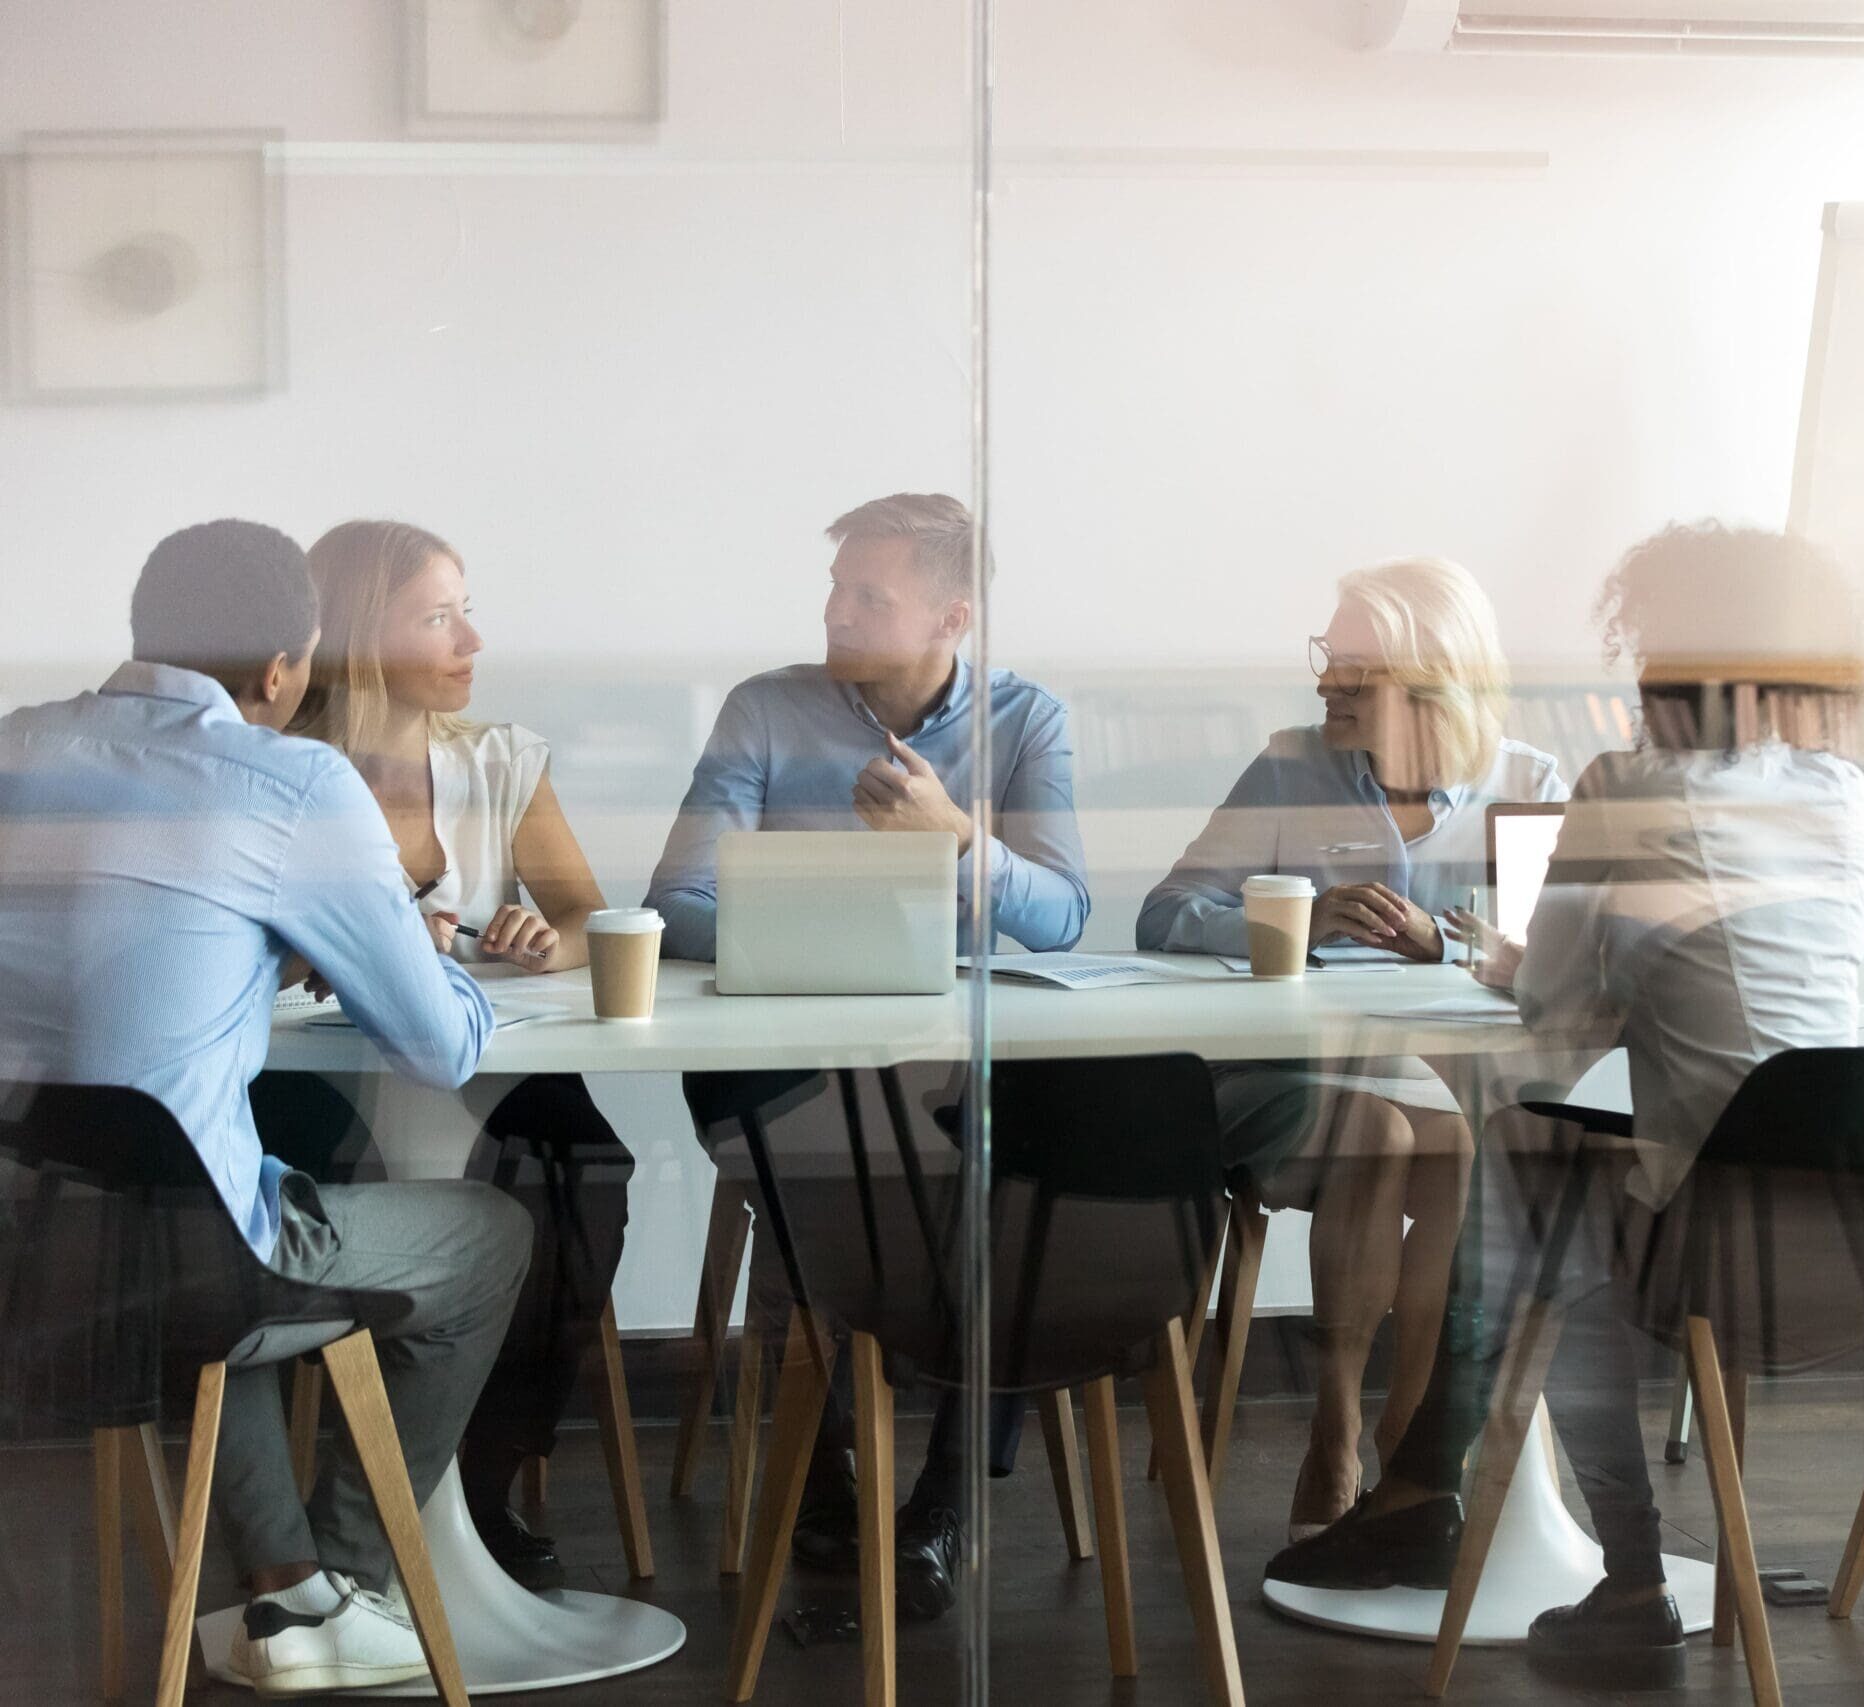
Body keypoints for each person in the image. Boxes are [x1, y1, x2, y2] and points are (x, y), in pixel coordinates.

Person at [1266, 524, 1864, 1693]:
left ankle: (1616, 1567)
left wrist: (1502, 960)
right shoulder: (1842, 797)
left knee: (1523, 1178)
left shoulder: (1627, 788)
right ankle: (1421, 1489)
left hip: (1708, 1240)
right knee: (1531, 1172)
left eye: (1644, 645)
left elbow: (1554, 1020)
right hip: (1842, 1228)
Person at [0, 520, 531, 1695]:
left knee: (199, 1203)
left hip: (34, 1243)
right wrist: (419, 951)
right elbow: (439, 1052)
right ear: (282, 670)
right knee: (489, 1236)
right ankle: (347, 1585)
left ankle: (287, 1591)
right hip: (197, 1261)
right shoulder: (289, 778)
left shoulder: (17, 746)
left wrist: (260, 954)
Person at [646, 491, 1090, 1619]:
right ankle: (822, 1474)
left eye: (867, 594)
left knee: (1009, 1183)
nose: (835, 610)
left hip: (946, 1066)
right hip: (783, 1059)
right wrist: (834, 910)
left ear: (951, 615)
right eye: (836, 586)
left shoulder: (1026, 720)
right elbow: (677, 900)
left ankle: (943, 1500)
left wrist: (949, 838)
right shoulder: (764, 710)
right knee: (833, 1169)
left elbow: (1060, 916)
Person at [1137, 556, 1567, 1539]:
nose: (1325, 680)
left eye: (1353, 665)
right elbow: (1165, 914)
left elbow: (1553, 964)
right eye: (1327, 657)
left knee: (1447, 1142)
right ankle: (1335, 1429)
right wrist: (1297, 920)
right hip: (1290, 1076)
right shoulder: (1291, 765)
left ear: (1430, 676)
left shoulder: (1526, 782)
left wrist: (1448, 943)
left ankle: (1411, 1438)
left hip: (1445, 1084)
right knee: (1382, 1131)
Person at [268, 517, 629, 1591]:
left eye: (466, 610)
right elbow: (244, 956)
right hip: (319, 1088)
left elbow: (582, 916)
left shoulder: (499, 761)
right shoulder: (277, 773)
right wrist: (333, 959)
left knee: (585, 1184)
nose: (471, 640)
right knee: (403, 1215)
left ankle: (476, 1487)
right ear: (359, 634)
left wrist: (534, 938)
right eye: (438, 617)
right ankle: (367, 1506)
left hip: (489, 1067)